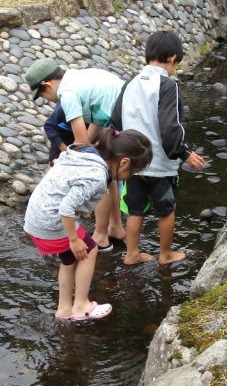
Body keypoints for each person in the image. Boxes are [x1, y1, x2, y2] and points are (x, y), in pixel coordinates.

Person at [24, 128, 152, 322]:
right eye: (134, 171)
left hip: (36, 216)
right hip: (51, 221)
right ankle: (81, 304)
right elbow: (66, 207)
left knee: (70, 260)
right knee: (89, 249)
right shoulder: (96, 177)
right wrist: (74, 239)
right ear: (124, 162)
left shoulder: (84, 152)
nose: (132, 176)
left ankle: (64, 310)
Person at [111, 31, 208, 266]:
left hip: (133, 162)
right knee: (166, 208)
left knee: (136, 209)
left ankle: (131, 253)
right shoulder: (167, 85)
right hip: (160, 164)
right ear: (173, 57)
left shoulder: (130, 84)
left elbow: (116, 121)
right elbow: (170, 125)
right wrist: (183, 153)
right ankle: (166, 254)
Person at [25, 58, 127, 248]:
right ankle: (115, 227)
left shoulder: (67, 93)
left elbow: (80, 142)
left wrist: (65, 160)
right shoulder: (79, 76)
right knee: (108, 171)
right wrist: (85, 149)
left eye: (43, 95)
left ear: (47, 84)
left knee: (100, 174)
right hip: (129, 113)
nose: (48, 100)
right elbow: (98, 117)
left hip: (126, 119)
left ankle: (100, 235)